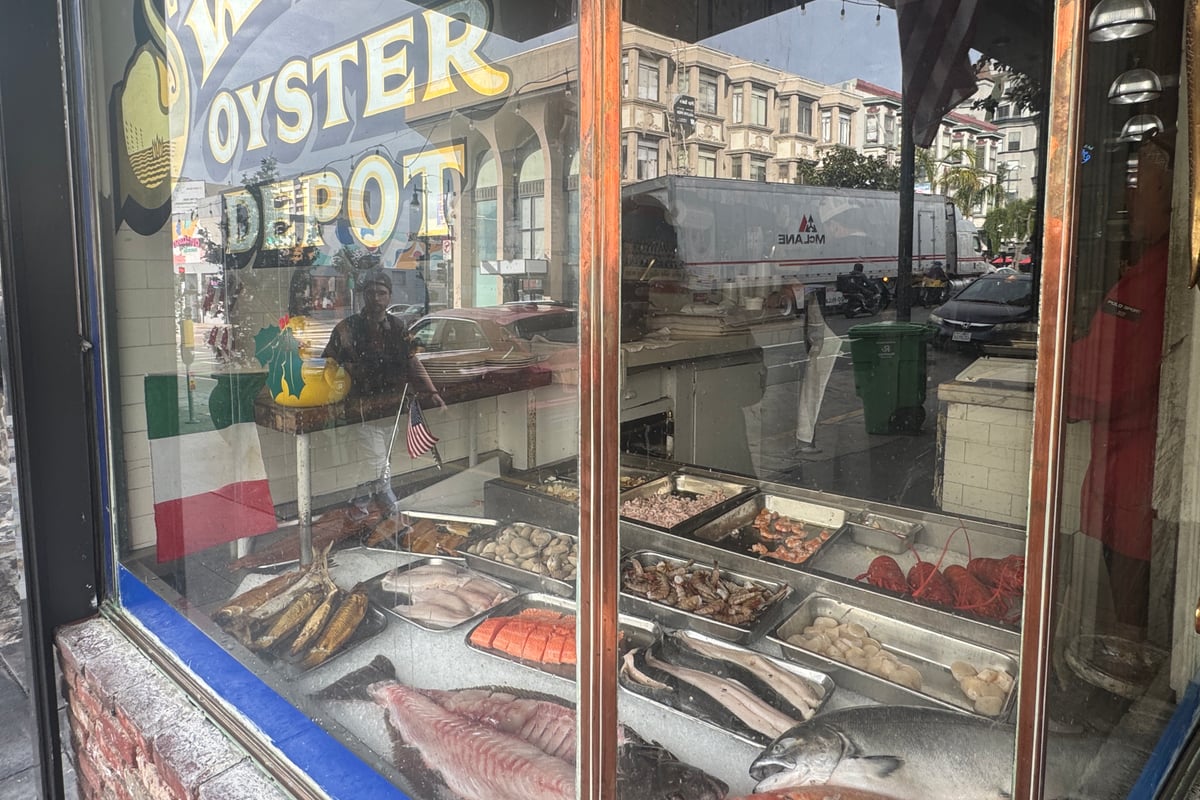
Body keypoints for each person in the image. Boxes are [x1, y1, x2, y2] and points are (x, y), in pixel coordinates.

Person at [1066, 134, 1173, 639]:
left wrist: (1051, 383)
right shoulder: (1150, 269)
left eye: (1141, 186)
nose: (1129, 199)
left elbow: (1108, 376)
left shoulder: (1160, 279)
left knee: (1128, 627)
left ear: (1174, 194)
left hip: (1136, 491)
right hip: (1122, 482)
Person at [323, 266, 445, 516]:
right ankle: (390, 512)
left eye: (381, 293)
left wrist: (432, 391)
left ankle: (358, 510)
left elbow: (413, 361)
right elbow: (327, 366)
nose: (376, 298)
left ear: (389, 296)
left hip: (392, 407)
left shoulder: (398, 328)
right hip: (361, 409)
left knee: (378, 462)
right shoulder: (347, 329)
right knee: (378, 462)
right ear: (363, 296)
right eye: (371, 293)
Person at [794, 287, 842, 457]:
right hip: (815, 351)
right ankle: (806, 437)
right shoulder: (813, 295)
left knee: (811, 389)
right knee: (811, 389)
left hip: (814, 351)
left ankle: (806, 437)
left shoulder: (813, 295)